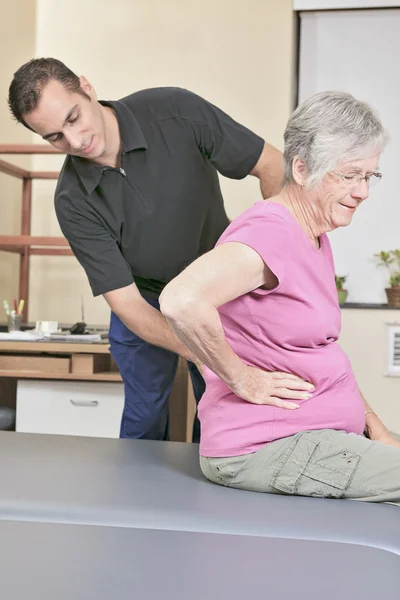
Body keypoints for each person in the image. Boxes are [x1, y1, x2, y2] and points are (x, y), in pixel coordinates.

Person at [7, 57, 291, 442]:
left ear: (87, 88)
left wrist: (266, 260)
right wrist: (209, 354)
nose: (74, 142)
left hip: (216, 290)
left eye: (73, 118)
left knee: (221, 414)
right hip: (143, 299)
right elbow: (129, 307)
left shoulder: (176, 111)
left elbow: (272, 165)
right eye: (55, 137)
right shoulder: (72, 200)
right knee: (144, 418)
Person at [160, 90, 400, 504]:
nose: (363, 192)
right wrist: (241, 378)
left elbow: (315, 350)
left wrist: (371, 421)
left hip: (315, 434)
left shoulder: (314, 234)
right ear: (302, 169)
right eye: (349, 175)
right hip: (266, 445)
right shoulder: (271, 233)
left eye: (369, 176)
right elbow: (181, 299)